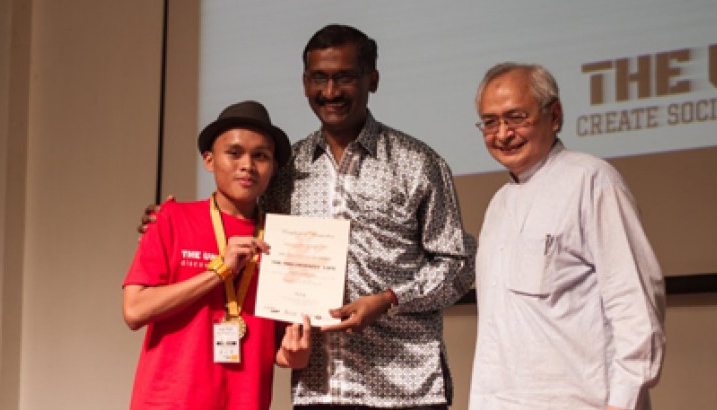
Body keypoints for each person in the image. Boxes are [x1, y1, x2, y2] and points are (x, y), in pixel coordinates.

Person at [266, 24, 475, 410]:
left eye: (344, 77)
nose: (329, 92)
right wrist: (172, 221)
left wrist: (389, 299)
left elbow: (458, 266)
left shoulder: (418, 163)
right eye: (319, 78)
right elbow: (253, 243)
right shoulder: (285, 172)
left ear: (372, 80)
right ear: (304, 82)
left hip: (407, 389)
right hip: (320, 387)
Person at [469, 62, 665, 410]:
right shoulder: (499, 204)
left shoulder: (591, 180)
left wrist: (623, 401)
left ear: (554, 115)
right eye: (490, 121)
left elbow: (634, 304)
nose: (502, 134)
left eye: (516, 117)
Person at [123, 100, 312, 410]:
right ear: (209, 160)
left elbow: (277, 346)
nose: (247, 165)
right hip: (167, 402)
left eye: (261, 156)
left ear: (274, 168)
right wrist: (219, 271)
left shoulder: (282, 240)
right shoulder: (171, 219)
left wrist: (294, 355)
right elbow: (134, 310)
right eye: (234, 153)